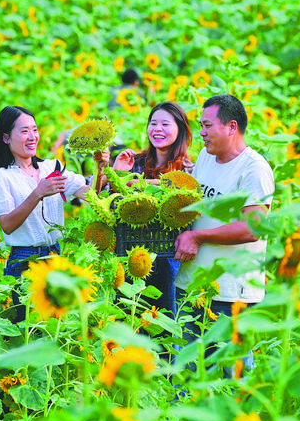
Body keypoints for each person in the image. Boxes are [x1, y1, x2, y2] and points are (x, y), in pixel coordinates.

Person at [173, 94, 274, 339]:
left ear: (231, 127)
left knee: (230, 372)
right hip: (191, 285)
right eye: (201, 126)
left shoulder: (254, 170)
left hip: (230, 294)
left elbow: (253, 228)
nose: (202, 133)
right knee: (188, 371)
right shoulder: (206, 157)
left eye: (207, 126)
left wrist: (197, 237)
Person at [0, 105, 91, 321]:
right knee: (28, 329)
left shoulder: (51, 167)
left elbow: (88, 194)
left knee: (56, 329)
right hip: (23, 261)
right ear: (6, 138)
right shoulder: (0, 177)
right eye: (24, 131)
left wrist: (103, 168)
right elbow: (6, 224)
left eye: (34, 130)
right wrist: (37, 193)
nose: (32, 136)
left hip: (55, 255)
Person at [108, 101, 194, 315]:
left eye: (165, 124)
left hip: (168, 257)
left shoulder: (188, 170)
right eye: (153, 123)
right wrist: (116, 174)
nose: (157, 129)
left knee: (164, 321)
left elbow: (187, 202)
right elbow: (112, 203)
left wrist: (141, 184)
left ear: (180, 130)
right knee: (127, 320)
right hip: (128, 252)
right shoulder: (133, 162)